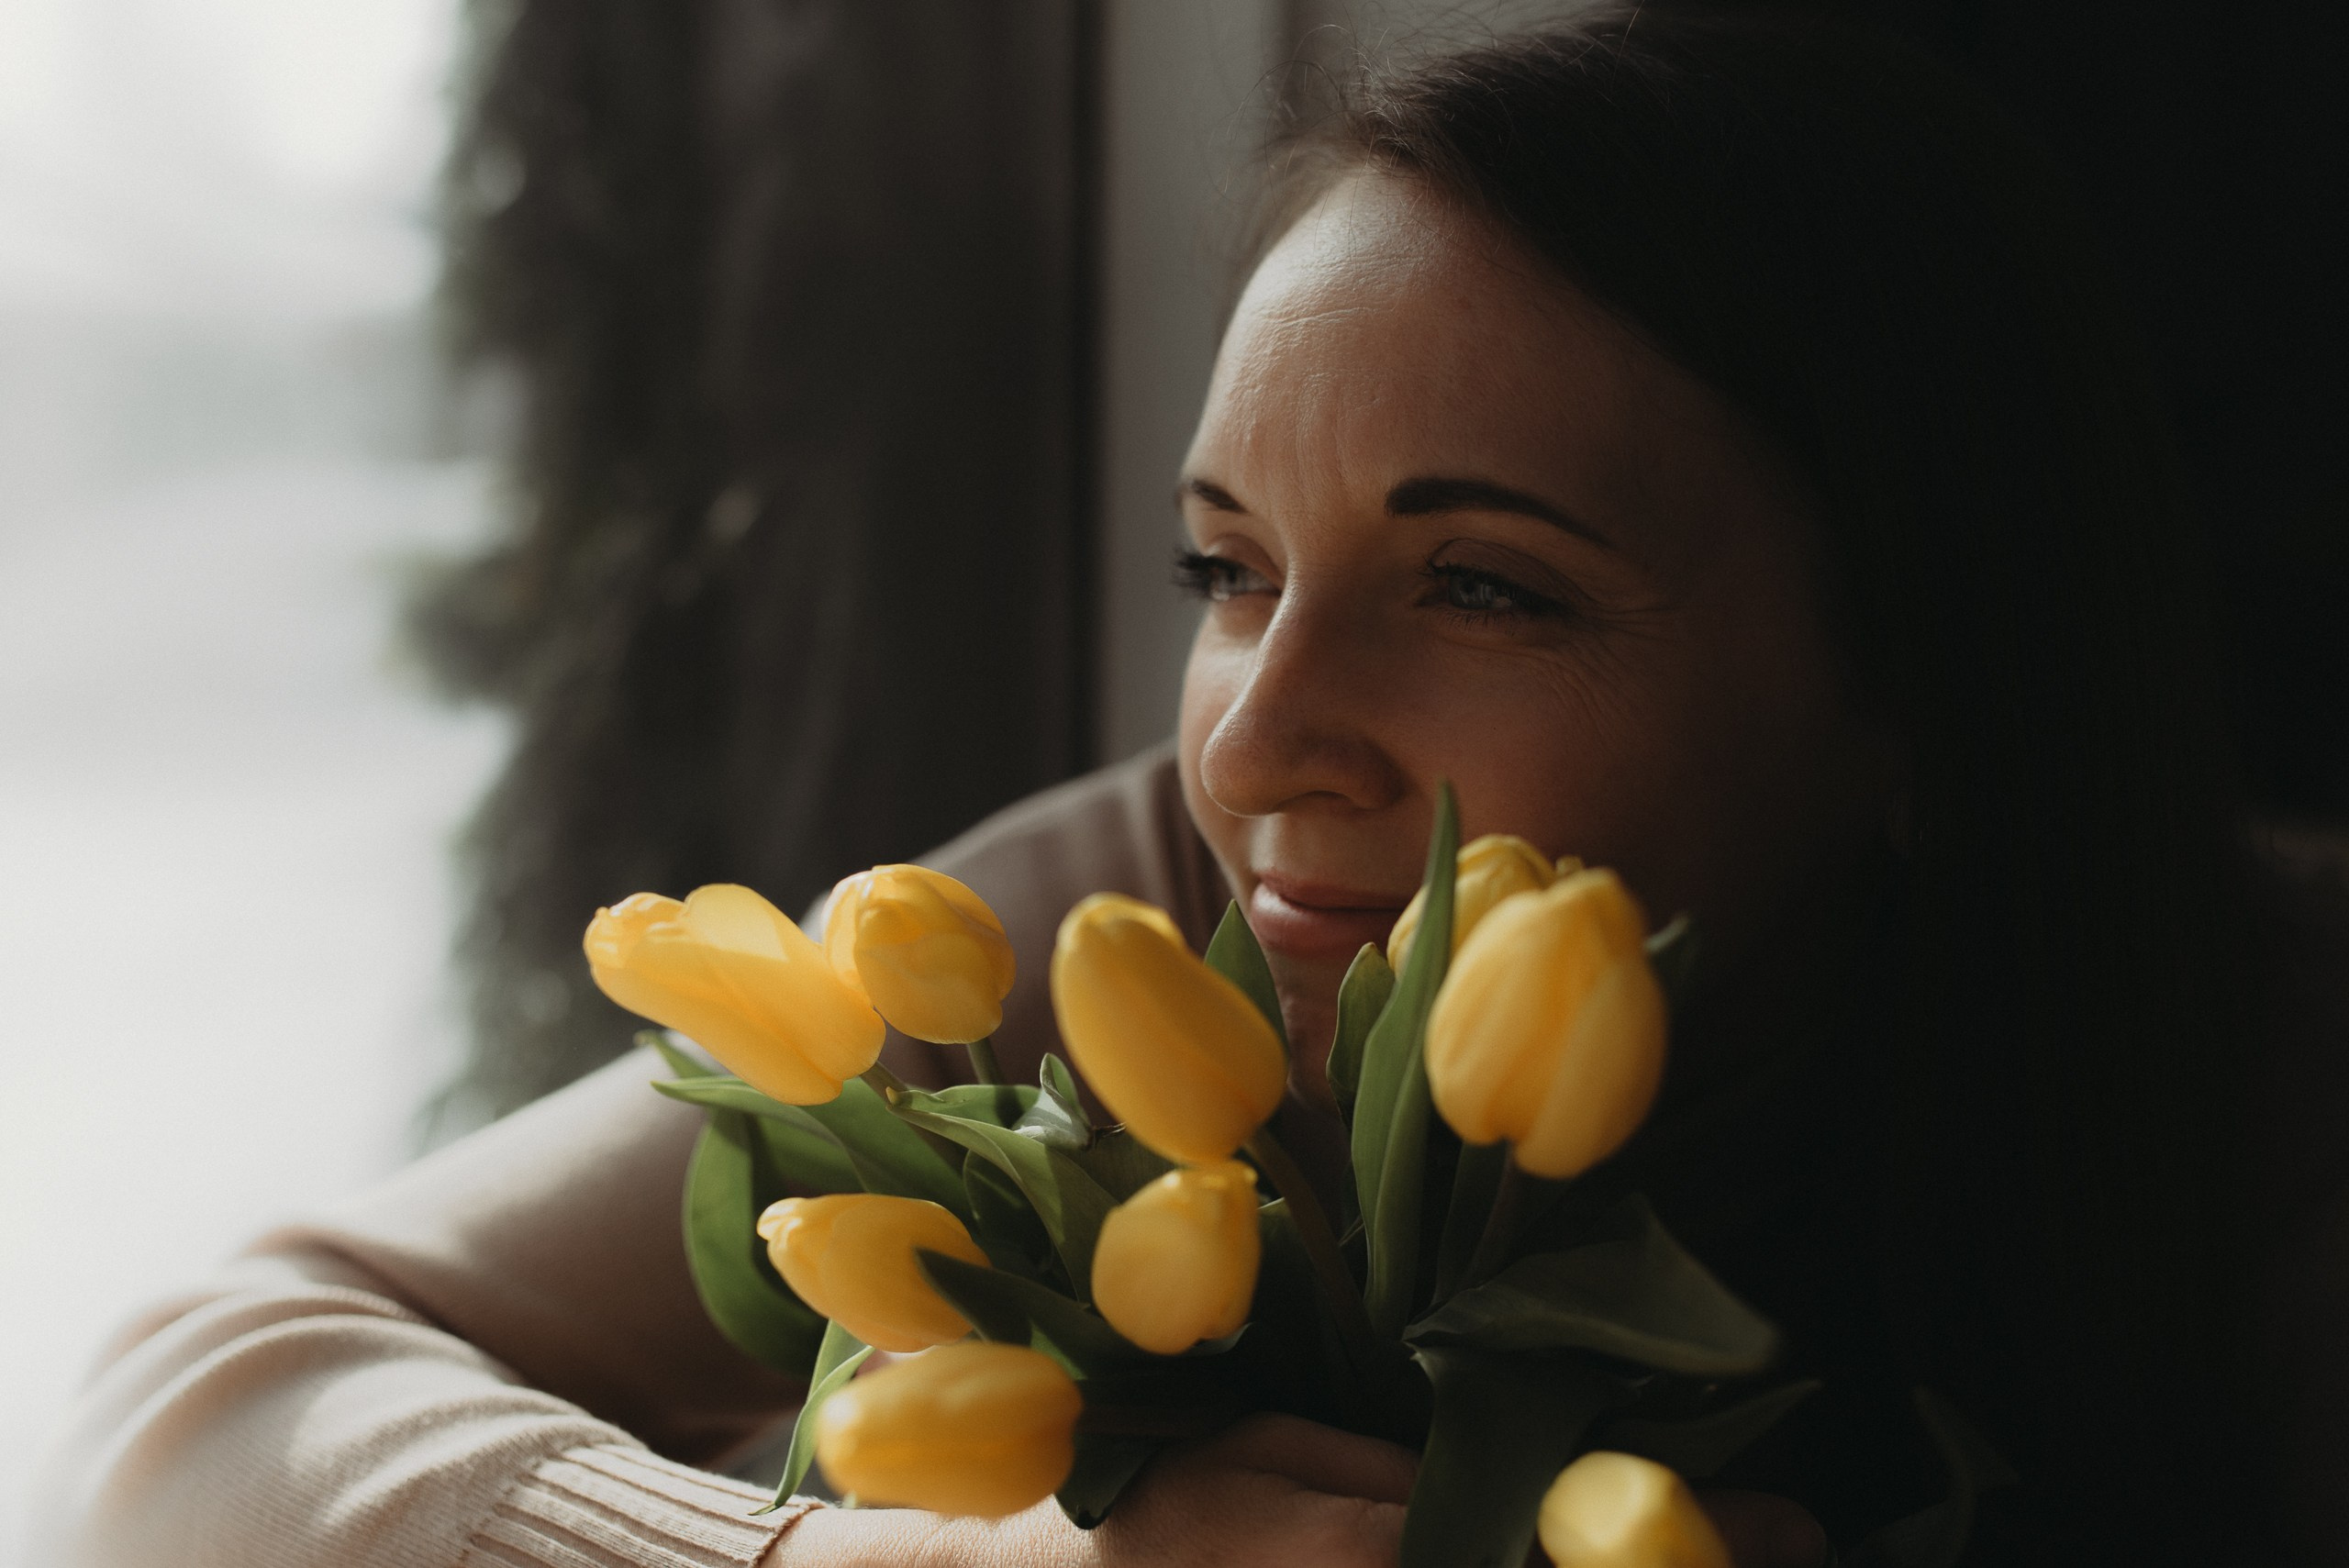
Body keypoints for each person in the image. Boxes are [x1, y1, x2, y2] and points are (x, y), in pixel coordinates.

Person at [30, 6, 2347, 1565]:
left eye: (1482, 589)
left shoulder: (2269, 1082)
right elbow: (191, 1404)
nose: (1248, 738)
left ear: (1922, 689)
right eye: (1227, 568)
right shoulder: (1155, 922)